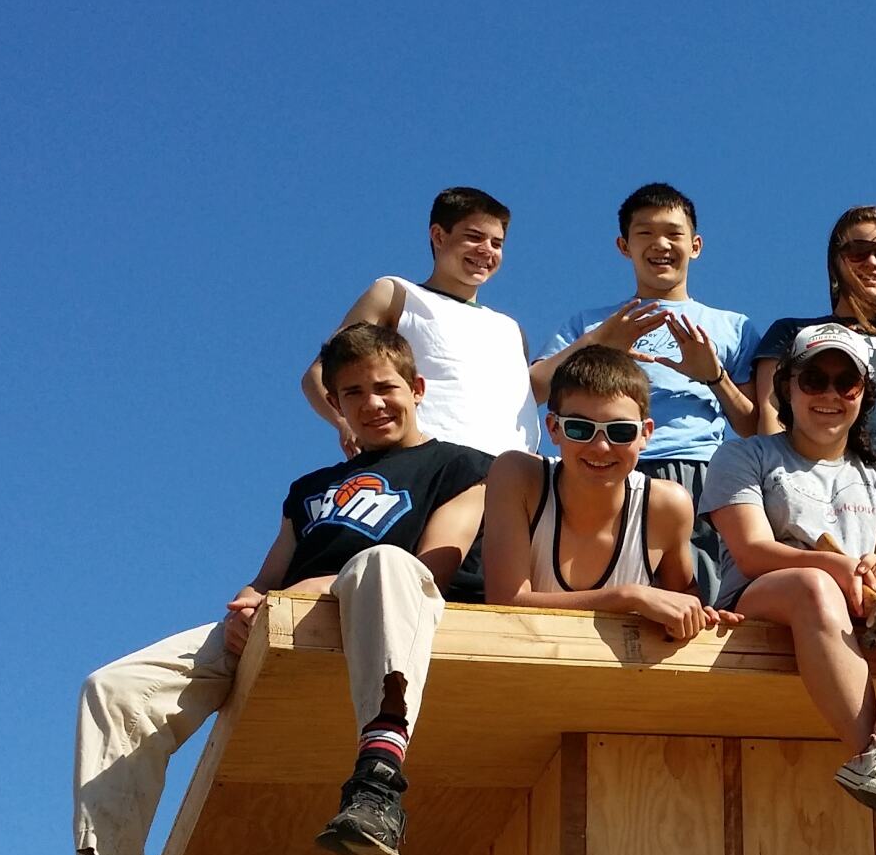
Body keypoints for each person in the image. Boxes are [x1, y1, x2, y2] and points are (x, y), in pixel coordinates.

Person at [0, 324, 489, 855]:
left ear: (417, 390)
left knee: (385, 564)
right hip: (297, 614)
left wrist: (309, 590)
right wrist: (250, 606)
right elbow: (265, 580)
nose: (372, 402)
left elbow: (438, 561)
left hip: (392, 604)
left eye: (385, 388)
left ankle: (378, 782)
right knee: (115, 686)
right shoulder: (310, 489)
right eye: (353, 394)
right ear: (336, 408)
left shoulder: (465, 466)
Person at [706, 323, 876, 835]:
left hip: (861, 609)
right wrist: (840, 568)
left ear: (864, 396)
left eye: (847, 382)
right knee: (814, 586)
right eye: (814, 378)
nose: (830, 393)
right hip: (764, 598)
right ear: (788, 387)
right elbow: (752, 552)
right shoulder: (746, 454)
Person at [527, 183, 760, 600]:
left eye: (673, 233)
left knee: (698, 600)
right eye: (645, 233)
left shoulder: (733, 326)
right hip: (602, 462)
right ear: (623, 245)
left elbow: (753, 424)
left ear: (696, 244)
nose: (661, 245)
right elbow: (535, 389)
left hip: (697, 470)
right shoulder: (592, 322)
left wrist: (713, 376)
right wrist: (598, 344)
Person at [483, 347, 738, 641]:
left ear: (646, 434)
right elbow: (506, 603)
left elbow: (682, 600)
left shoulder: (666, 506)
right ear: (553, 429)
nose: (601, 446)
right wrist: (629, 597)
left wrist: (704, 618)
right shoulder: (518, 476)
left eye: (620, 431)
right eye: (580, 429)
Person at [300, 187, 536, 460]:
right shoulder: (397, 294)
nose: (487, 250)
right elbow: (318, 375)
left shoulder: (509, 328)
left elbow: (523, 395)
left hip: (509, 481)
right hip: (428, 468)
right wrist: (345, 423)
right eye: (474, 237)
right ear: (438, 236)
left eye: (497, 243)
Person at [749, 204, 876, 454]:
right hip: (825, 472)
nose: (872, 262)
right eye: (857, 252)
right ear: (835, 262)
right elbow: (771, 411)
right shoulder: (793, 332)